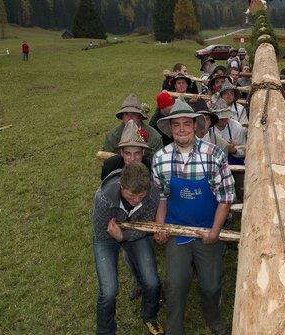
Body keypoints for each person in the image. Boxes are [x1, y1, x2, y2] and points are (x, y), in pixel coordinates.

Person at [152, 97, 235, 335]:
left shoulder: (214, 155)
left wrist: (215, 232)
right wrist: (160, 227)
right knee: (175, 284)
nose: (181, 130)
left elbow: (226, 197)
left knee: (211, 285)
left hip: (207, 230)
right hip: (177, 230)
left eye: (186, 124)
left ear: (195, 125)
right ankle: (174, 328)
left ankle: (212, 316)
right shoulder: (161, 159)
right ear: (170, 128)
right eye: (176, 125)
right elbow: (162, 197)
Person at [91, 162, 164, 335]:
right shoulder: (104, 198)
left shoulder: (153, 193)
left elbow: (147, 227)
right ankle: (105, 330)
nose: (137, 199)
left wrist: (123, 236)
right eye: (132, 195)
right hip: (106, 239)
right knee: (108, 291)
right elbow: (101, 234)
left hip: (134, 232)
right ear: (121, 186)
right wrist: (118, 237)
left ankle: (149, 316)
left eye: (141, 195)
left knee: (152, 282)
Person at [103, 93, 163, 161]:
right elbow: (108, 164)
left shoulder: (154, 137)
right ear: (122, 116)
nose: (130, 118)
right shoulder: (112, 136)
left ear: (140, 116)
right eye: (126, 114)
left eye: (134, 114)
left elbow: (157, 163)